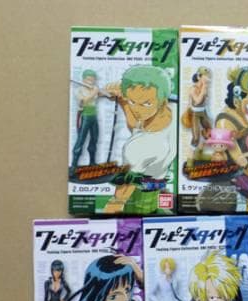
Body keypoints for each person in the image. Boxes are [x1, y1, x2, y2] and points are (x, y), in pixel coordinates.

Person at [103, 65, 176, 213]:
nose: (136, 109)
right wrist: (123, 100)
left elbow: (123, 192)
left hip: (141, 196)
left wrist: (111, 209)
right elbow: (138, 124)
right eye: (132, 102)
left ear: (163, 101)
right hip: (151, 187)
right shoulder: (173, 110)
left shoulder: (138, 147)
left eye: (146, 103)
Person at [71, 70, 105, 172]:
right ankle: (74, 166)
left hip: (93, 116)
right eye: (88, 79)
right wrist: (95, 92)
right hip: (85, 116)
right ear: (83, 79)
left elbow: (105, 95)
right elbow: (84, 101)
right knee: (80, 140)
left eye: (93, 79)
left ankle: (92, 163)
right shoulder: (78, 90)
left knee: (94, 139)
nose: (91, 81)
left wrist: (113, 94)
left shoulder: (94, 89)